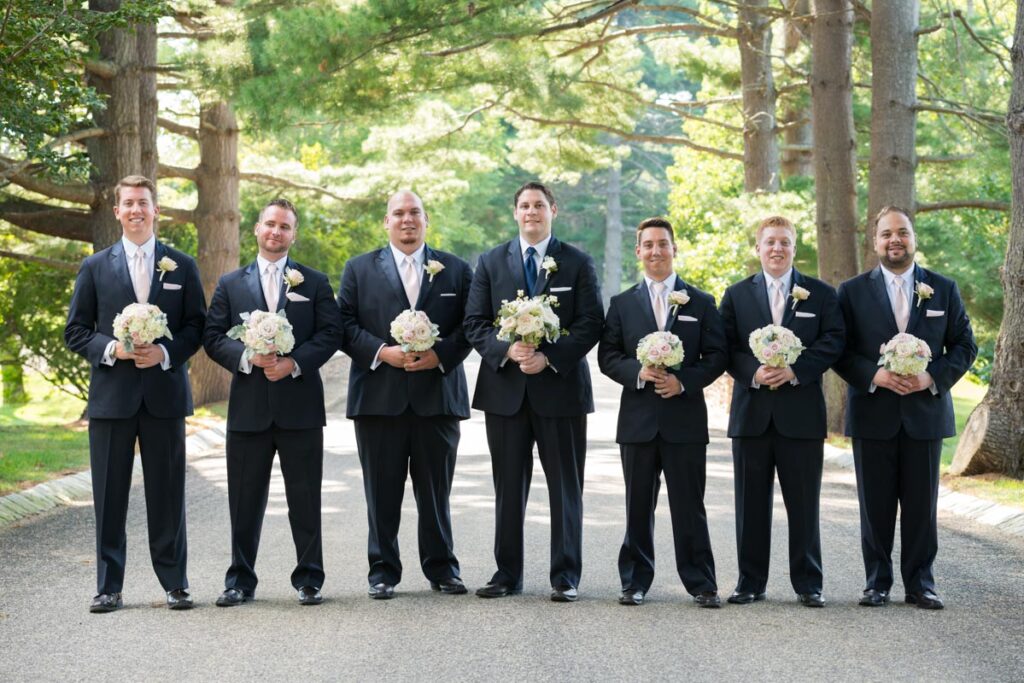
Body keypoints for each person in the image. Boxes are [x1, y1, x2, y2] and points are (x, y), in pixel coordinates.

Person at [65, 175, 206, 613]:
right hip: (111, 399)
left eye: (143, 203)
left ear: (156, 209)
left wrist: (164, 352)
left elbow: (196, 326)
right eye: (128, 203)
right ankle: (109, 587)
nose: (136, 211)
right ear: (117, 212)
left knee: (167, 495)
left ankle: (175, 583)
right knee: (109, 496)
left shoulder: (181, 266)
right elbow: (75, 330)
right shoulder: (95, 267)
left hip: (164, 396)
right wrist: (112, 349)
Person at [464, 181, 604, 602]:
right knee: (508, 487)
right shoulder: (490, 262)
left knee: (565, 486)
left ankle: (565, 576)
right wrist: (508, 349)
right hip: (505, 392)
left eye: (539, 205)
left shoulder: (577, 262)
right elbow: (474, 322)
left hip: (560, 390)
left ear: (553, 210)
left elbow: (591, 322)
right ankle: (507, 574)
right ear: (515, 213)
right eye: (524, 206)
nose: (531, 212)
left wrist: (550, 357)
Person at [835, 206, 976, 610]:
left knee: (920, 507)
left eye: (902, 232)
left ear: (913, 239)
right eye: (886, 234)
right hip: (873, 411)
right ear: (875, 242)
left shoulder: (943, 289)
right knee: (874, 506)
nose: (894, 240)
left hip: (924, 415)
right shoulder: (852, 291)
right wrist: (873, 376)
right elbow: (839, 349)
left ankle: (921, 584)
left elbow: (965, 346)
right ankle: (876, 582)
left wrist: (931, 377)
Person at [204, 198, 341, 607]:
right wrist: (247, 358)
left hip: (299, 407)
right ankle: (240, 580)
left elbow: (330, 334)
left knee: (305, 497)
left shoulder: (313, 282)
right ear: (257, 229)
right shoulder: (231, 283)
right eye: (270, 224)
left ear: (293, 234)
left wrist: (295, 363)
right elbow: (213, 336)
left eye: (284, 226)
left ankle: (309, 579)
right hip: (248, 408)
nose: (276, 231)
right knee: (244, 500)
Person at [338, 190, 473, 599]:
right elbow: (342, 324)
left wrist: (440, 355)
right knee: (381, 491)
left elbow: (472, 325)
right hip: (378, 397)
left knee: (436, 492)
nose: (407, 220)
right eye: (398, 213)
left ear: (426, 220)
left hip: (438, 397)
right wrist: (382, 352)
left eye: (414, 213)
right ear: (386, 222)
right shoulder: (359, 269)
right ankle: (382, 571)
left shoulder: (456, 269)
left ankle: (442, 568)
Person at [597, 217, 727, 607]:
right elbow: (608, 356)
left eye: (663, 244)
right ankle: (634, 581)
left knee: (690, 506)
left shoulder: (701, 302)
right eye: (648, 245)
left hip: (684, 420)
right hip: (637, 422)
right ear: (638, 252)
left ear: (674, 249)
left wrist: (683, 381)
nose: (656, 251)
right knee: (638, 506)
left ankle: (702, 583)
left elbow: (717, 355)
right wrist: (638, 372)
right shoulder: (621, 304)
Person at [718, 215, 845, 608]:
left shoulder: (820, 295)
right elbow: (725, 347)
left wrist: (796, 369)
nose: (777, 248)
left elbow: (834, 340)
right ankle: (749, 582)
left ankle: (809, 583)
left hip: (801, 414)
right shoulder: (737, 295)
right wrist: (754, 372)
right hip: (752, 414)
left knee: (804, 503)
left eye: (785, 242)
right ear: (758, 248)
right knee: (750, 505)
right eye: (770, 242)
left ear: (794, 247)